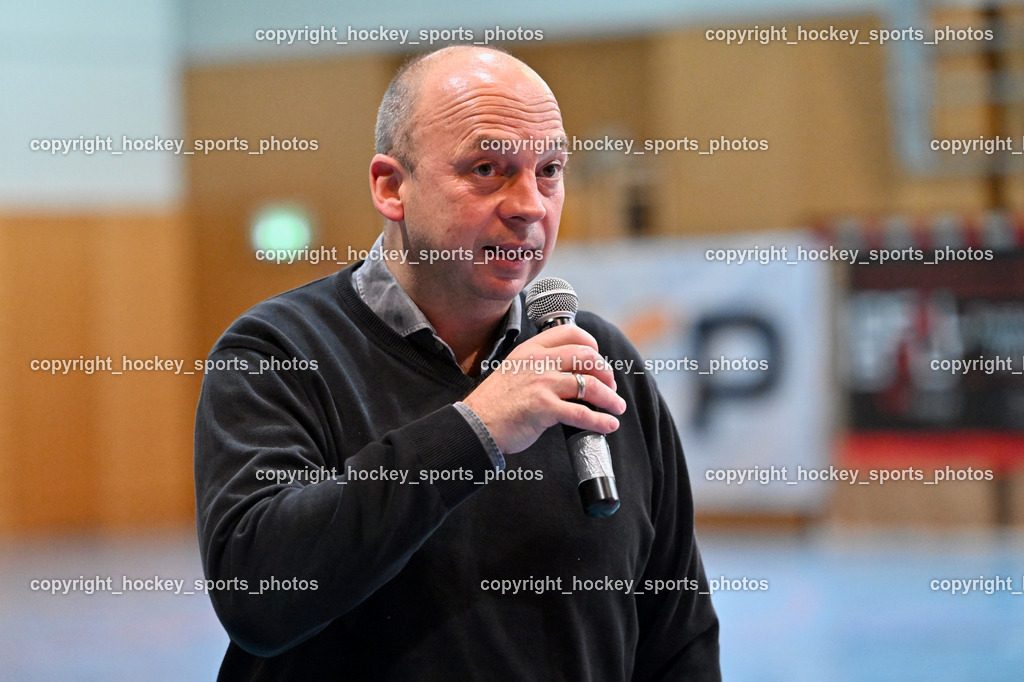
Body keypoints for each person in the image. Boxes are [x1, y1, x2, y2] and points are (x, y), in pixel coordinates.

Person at [194, 45, 720, 680]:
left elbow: (678, 635)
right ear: (392, 187)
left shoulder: (602, 359)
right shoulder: (278, 353)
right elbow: (258, 598)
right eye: (489, 168)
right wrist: (474, 431)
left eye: (549, 169)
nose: (531, 204)